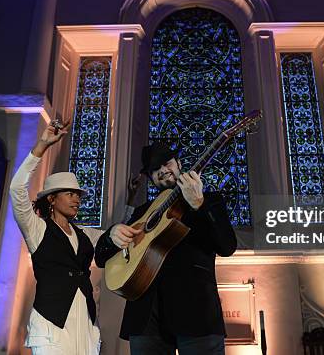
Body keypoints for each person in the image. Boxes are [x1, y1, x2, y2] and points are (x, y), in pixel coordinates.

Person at [95, 142, 237, 355]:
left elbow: (227, 246)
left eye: (166, 163)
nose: (162, 171)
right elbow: (101, 258)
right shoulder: (142, 212)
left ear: (179, 163)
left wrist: (199, 205)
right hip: (146, 318)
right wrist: (111, 235)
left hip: (196, 313)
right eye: (154, 170)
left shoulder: (209, 202)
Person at [10, 120, 103, 355]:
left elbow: (112, 237)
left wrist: (130, 203)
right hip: (52, 324)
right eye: (70, 194)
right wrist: (41, 147)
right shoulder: (37, 229)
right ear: (52, 199)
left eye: (78, 196)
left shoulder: (84, 234)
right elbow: (17, 191)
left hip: (84, 321)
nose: (76, 200)